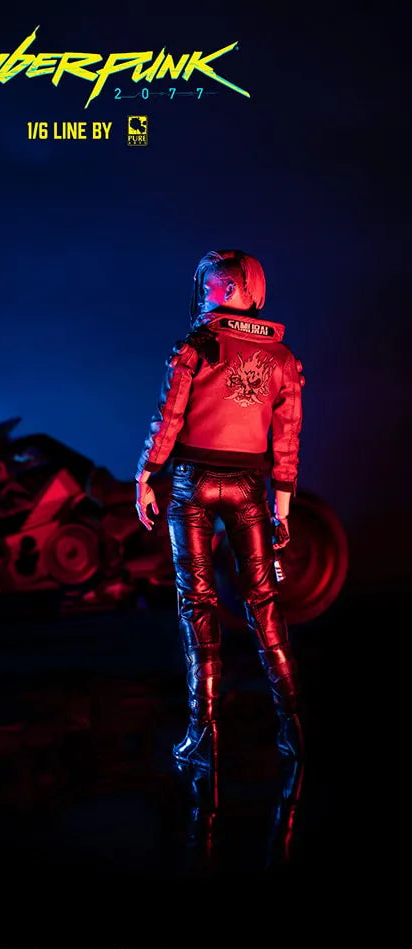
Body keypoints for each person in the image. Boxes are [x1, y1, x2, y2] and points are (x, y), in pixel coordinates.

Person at [135, 249, 305, 782]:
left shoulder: (196, 346)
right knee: (264, 602)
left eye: (210, 284)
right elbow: (287, 437)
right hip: (250, 487)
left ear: (230, 290)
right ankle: (293, 729)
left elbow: (169, 417)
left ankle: (203, 736)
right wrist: (282, 506)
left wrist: (145, 474)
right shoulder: (283, 358)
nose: (204, 293)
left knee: (198, 605)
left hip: (192, 483)